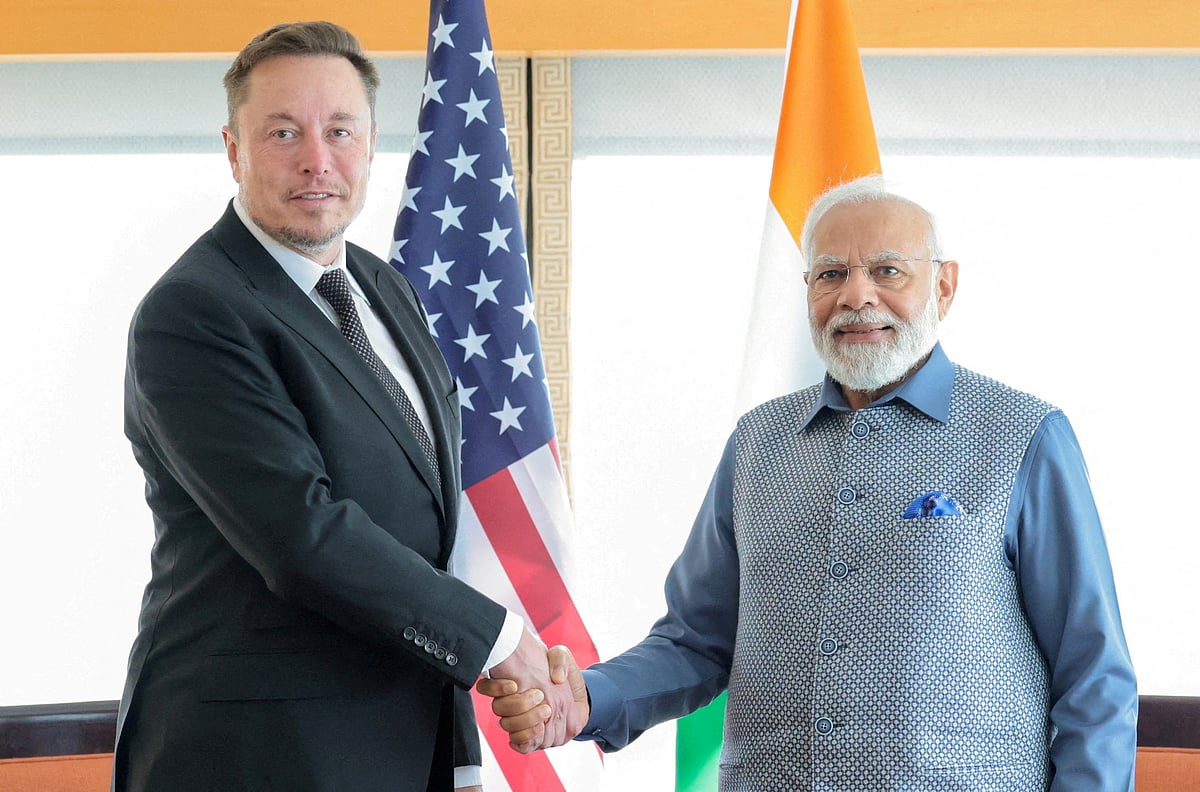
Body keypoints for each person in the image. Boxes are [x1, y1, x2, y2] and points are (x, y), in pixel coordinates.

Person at [481, 176, 1138, 790]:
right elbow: (696, 642)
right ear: (807, 293)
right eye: (831, 274)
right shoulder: (758, 444)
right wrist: (589, 697)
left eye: (887, 270)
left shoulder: (1023, 435)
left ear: (944, 287)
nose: (856, 296)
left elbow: (1094, 675)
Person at [113, 21, 576, 792]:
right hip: (255, 755)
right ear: (234, 148)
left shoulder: (383, 287)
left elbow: (423, 519)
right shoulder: (193, 313)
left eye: (340, 131)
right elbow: (304, 535)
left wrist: (505, 658)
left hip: (400, 736)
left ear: (369, 145)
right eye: (284, 132)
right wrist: (497, 643)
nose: (316, 160)